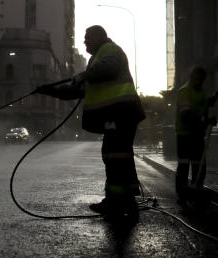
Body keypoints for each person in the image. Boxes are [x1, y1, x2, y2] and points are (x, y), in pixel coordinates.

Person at [35, 26, 145, 217]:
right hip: (119, 113)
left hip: (121, 112)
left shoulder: (109, 51)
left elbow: (108, 68)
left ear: (98, 37)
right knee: (118, 155)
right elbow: (75, 91)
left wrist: (84, 75)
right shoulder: (96, 62)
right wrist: (47, 90)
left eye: (87, 38)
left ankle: (117, 201)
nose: (84, 41)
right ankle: (124, 200)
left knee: (116, 155)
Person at [174, 66, 217, 204]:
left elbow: (202, 106)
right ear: (191, 76)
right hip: (185, 135)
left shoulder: (201, 92)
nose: (197, 81)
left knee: (199, 163)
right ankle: (182, 192)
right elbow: (187, 115)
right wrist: (205, 121)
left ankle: (196, 188)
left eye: (200, 79)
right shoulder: (184, 91)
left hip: (197, 135)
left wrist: (211, 101)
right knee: (184, 164)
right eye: (196, 78)